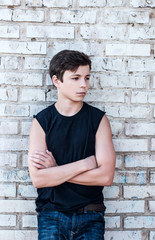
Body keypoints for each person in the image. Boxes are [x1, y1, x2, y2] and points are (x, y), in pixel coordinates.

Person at [28, 50, 116, 240]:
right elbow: (39, 179)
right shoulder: (42, 121)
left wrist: (56, 171)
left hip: (91, 214)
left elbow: (106, 176)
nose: (83, 85)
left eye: (87, 78)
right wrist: (84, 165)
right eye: (75, 78)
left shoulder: (98, 120)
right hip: (51, 215)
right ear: (56, 81)